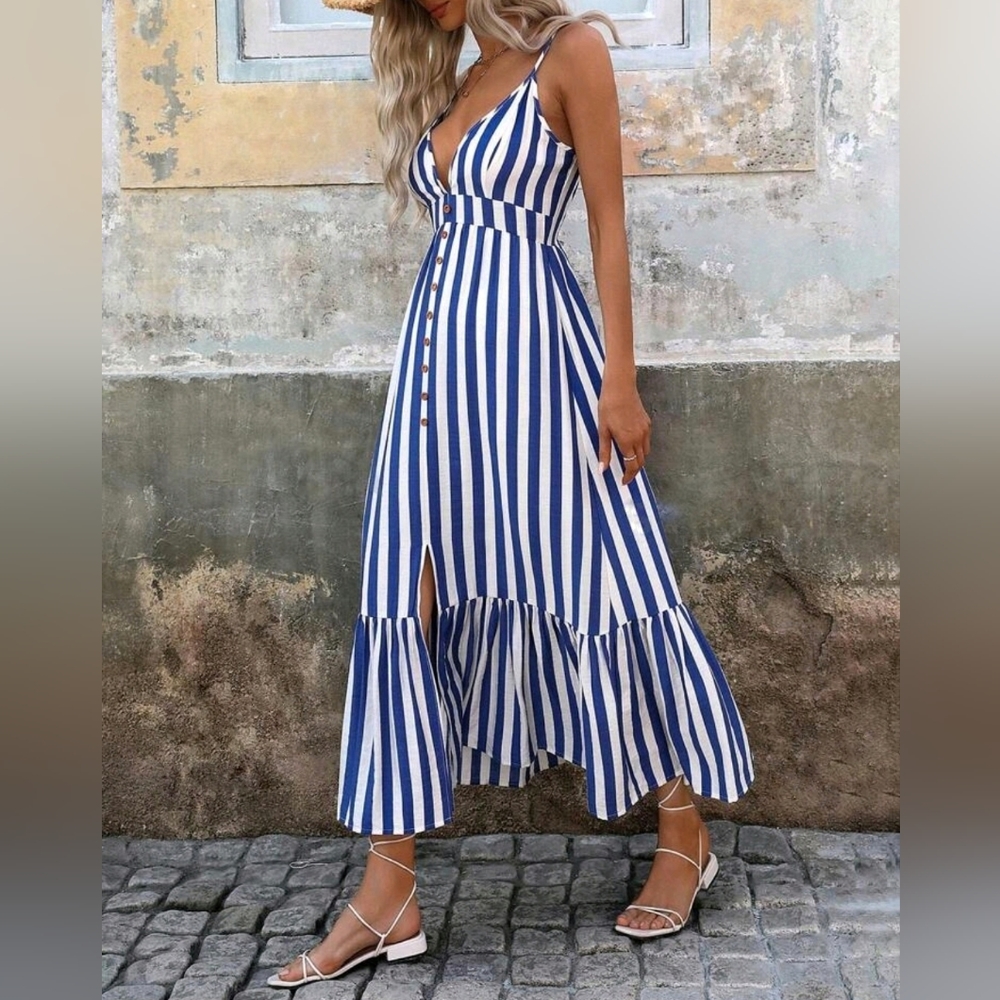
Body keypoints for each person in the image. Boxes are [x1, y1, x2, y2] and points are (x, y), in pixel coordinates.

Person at [269, 0, 755, 988]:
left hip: (540, 364)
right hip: (434, 374)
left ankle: (683, 830)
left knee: (600, 581)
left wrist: (621, 381)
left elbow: (609, 225)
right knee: (406, 595)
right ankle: (389, 890)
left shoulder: (568, 53)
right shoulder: (454, 80)